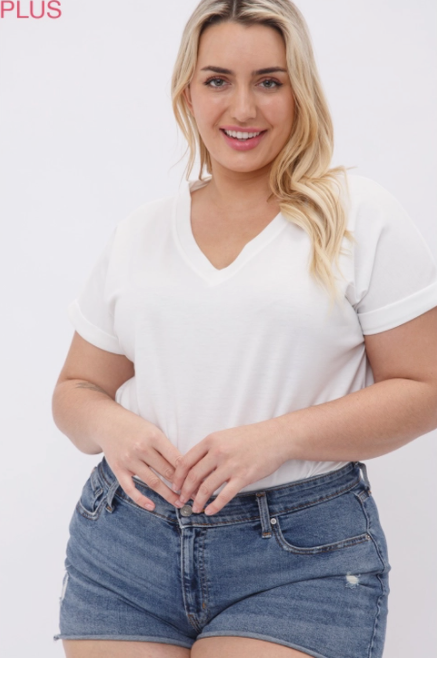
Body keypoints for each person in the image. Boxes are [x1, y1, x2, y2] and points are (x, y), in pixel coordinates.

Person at [52, 0, 437, 659]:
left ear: (299, 91)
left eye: (268, 81)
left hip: (299, 553)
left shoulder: (358, 215)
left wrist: (278, 437)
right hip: (125, 544)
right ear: (188, 93)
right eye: (217, 80)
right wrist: (113, 427)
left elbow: (425, 386)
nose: (243, 108)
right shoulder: (140, 232)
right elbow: (75, 389)